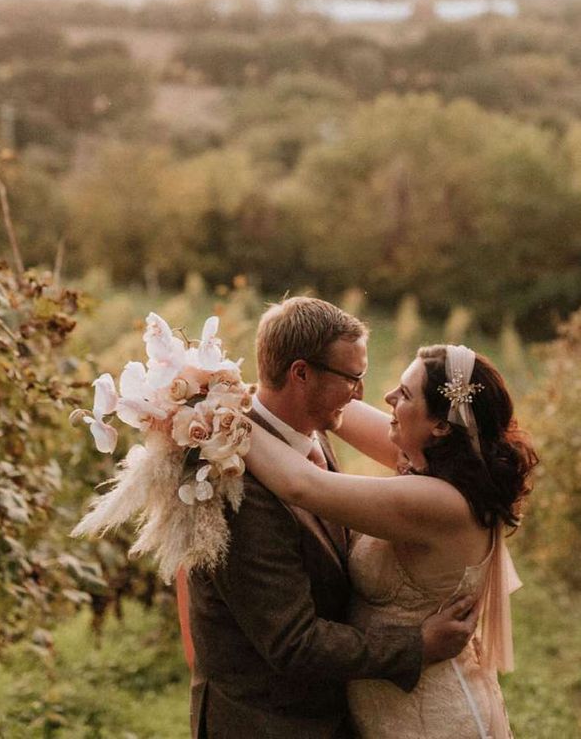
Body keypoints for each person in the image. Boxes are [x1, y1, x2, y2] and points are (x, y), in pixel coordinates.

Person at [187, 297, 477, 739]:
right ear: (301, 373)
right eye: (353, 378)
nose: (362, 393)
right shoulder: (236, 483)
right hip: (269, 723)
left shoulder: (314, 428)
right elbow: (294, 642)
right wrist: (416, 644)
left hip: (328, 713)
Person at [243, 340, 538, 738]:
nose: (387, 397)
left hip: (434, 720)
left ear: (439, 425)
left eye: (405, 394)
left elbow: (301, 486)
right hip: (392, 711)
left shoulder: (439, 501)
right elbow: (333, 410)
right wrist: (231, 385)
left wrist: (218, 415)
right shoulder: (432, 462)